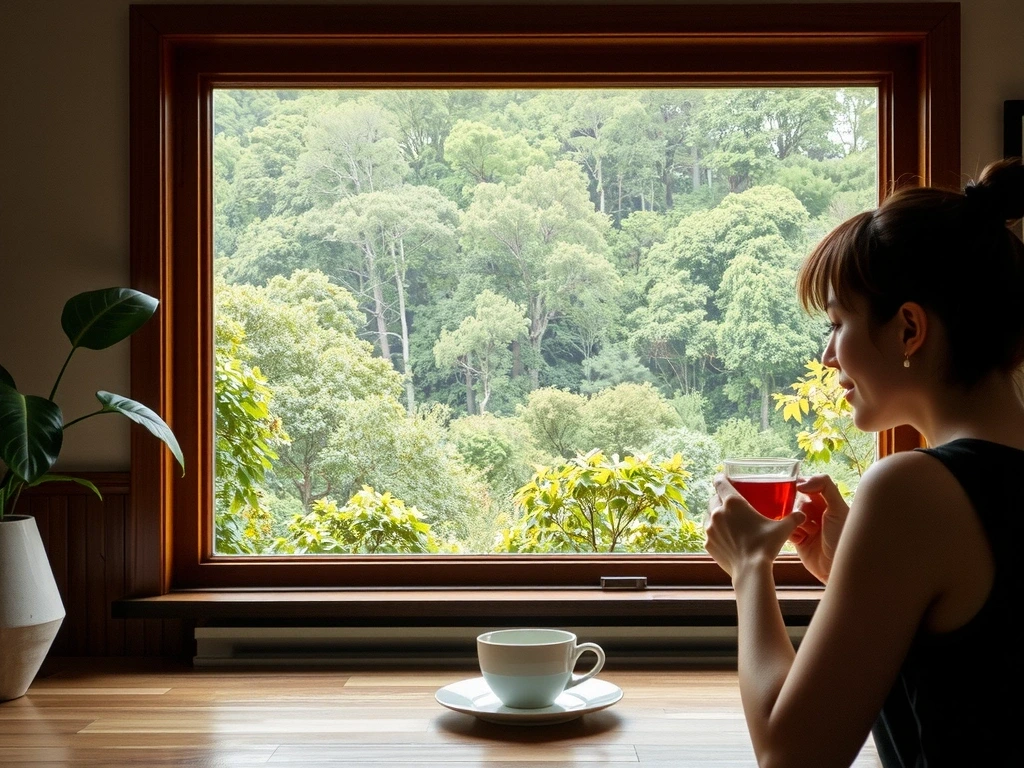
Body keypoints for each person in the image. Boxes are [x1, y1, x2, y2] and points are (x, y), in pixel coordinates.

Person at [705, 157, 1024, 768]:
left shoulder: (912, 488)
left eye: (838, 323)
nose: (828, 357)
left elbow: (788, 756)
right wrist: (857, 569)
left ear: (908, 329)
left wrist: (749, 567)